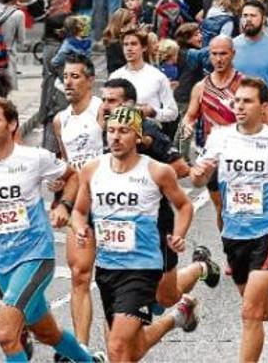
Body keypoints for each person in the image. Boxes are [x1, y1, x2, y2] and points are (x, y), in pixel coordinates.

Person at [0, 96, 99, 362]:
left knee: (7, 333)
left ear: (12, 125)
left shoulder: (34, 158)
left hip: (35, 256)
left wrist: (65, 206)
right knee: (46, 332)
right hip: (2, 263)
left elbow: (72, 176)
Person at [190, 77, 268, 362]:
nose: (239, 106)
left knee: (250, 313)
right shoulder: (220, 137)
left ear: (263, 106)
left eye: (247, 101)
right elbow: (201, 173)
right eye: (237, 101)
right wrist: (199, 175)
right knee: (260, 307)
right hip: (234, 232)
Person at [70, 106, 198, 361]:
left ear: (138, 137)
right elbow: (80, 210)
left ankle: (183, 303)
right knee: (130, 350)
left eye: (124, 131)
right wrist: (80, 227)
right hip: (107, 269)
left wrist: (178, 235)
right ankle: (178, 316)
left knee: (117, 345)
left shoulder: (157, 171)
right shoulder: (92, 169)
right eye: (111, 131)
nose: (115, 137)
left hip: (142, 269)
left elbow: (184, 206)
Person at [50, 54, 104, 353]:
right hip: (81, 206)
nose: (68, 82)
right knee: (80, 275)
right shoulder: (60, 120)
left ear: (89, 80)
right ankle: (82, 348)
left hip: (113, 204)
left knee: (120, 280)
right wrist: (60, 189)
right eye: (65, 77)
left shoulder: (102, 111)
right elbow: (67, 164)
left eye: (75, 76)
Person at [108, 28, 179, 126]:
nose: (129, 48)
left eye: (134, 44)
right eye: (126, 44)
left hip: (149, 132)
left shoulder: (157, 76)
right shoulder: (115, 76)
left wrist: (153, 112)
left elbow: (173, 113)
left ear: (144, 47)